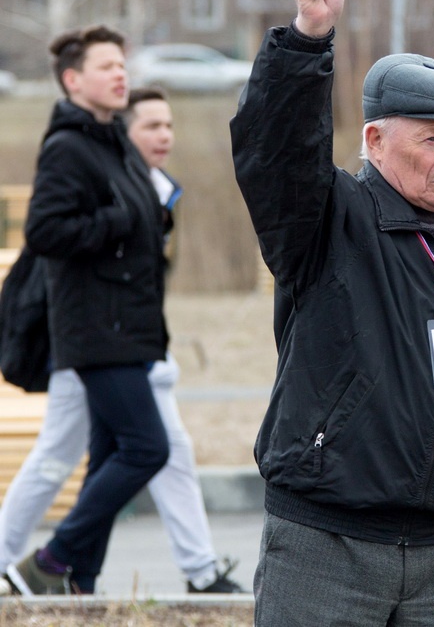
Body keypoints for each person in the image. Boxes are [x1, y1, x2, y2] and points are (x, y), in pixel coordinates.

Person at [230, 0, 434, 627]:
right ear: (373, 141)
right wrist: (309, 39)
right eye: (431, 140)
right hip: (324, 546)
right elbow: (276, 153)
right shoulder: (328, 221)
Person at [0, 87, 244, 595]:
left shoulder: (158, 188)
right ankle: (39, 563)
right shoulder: (104, 177)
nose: (165, 136)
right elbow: (57, 245)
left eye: (169, 126)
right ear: (122, 136)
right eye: (151, 126)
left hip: (135, 343)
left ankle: (184, 571)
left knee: (161, 449)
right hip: (92, 345)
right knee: (70, 455)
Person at [5, 26, 171, 595]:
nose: (120, 74)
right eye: (106, 67)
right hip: (98, 328)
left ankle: (81, 582)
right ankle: (49, 563)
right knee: (149, 448)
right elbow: (45, 230)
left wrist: (151, 218)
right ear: (73, 80)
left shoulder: (114, 139)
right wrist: (117, 224)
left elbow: (139, 207)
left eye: (122, 65)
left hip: (131, 323)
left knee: (106, 455)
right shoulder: (67, 147)